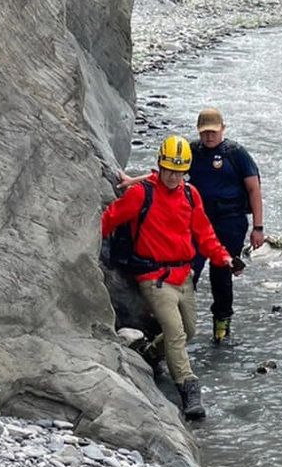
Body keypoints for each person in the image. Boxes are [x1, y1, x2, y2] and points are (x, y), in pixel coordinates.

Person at [102, 135, 242, 419]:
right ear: (159, 166)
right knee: (176, 333)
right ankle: (188, 388)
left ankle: (151, 355)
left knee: (188, 331)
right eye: (168, 170)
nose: (173, 176)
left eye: (179, 172)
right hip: (154, 277)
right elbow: (109, 218)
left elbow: (204, 233)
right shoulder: (141, 193)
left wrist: (224, 258)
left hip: (183, 276)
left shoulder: (190, 194)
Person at [188, 107, 264, 345]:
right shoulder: (192, 152)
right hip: (199, 219)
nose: (208, 137)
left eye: (212, 131)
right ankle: (180, 321)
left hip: (230, 220)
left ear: (223, 129)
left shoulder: (236, 153)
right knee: (190, 267)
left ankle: (222, 323)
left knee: (221, 272)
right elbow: (166, 176)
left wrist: (258, 228)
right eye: (204, 132)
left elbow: (254, 189)